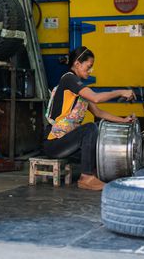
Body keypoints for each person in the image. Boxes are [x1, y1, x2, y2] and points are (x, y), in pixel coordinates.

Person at [44, 46, 136, 191]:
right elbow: (96, 98)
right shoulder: (69, 79)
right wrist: (120, 92)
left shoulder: (78, 87)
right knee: (90, 128)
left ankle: (92, 174)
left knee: (98, 143)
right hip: (54, 142)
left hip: (66, 142)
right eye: (89, 66)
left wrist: (123, 120)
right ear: (77, 64)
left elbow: (98, 113)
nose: (90, 70)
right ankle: (86, 178)